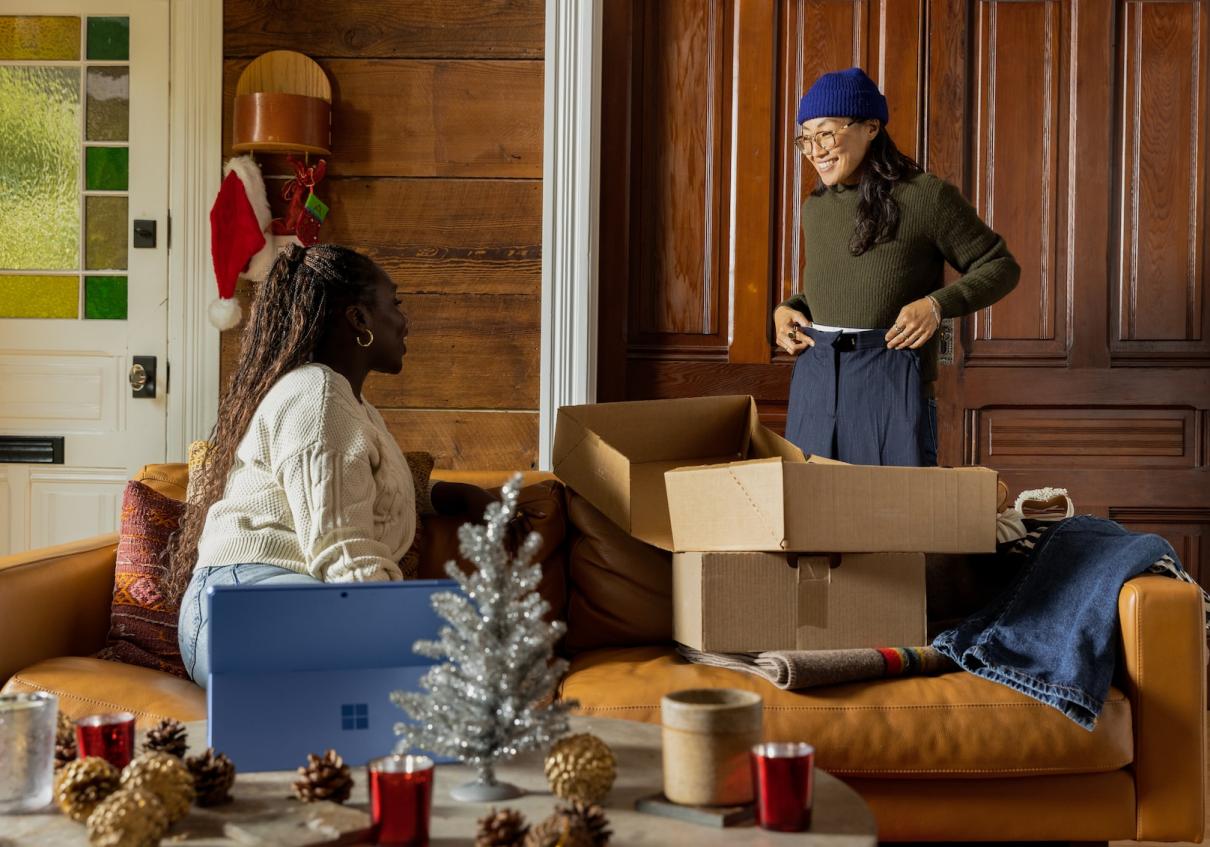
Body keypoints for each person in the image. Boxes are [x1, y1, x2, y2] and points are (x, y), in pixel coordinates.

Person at [167, 243, 495, 688]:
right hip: (244, 604)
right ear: (360, 319)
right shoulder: (318, 398)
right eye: (394, 304)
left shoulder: (346, 403)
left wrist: (452, 495)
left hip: (260, 603)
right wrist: (399, 631)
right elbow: (342, 548)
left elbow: (366, 484)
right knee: (451, 662)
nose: (404, 321)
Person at [774, 67, 1020, 466]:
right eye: (806, 138)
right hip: (815, 382)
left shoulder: (926, 197)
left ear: (870, 127)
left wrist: (937, 305)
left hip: (890, 381)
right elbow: (839, 285)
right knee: (809, 517)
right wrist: (787, 308)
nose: (815, 150)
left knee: (894, 521)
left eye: (826, 132)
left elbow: (1000, 266)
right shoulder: (816, 209)